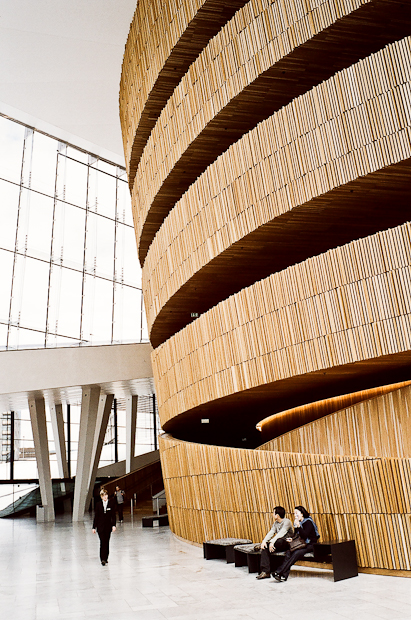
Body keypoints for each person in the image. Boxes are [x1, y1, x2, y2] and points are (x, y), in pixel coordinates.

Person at [273, 505, 320, 582]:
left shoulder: (308, 522)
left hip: (310, 544)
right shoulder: (298, 523)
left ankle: (279, 571)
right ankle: (283, 576)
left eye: (296, 513)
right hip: (301, 544)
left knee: (297, 553)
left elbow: (305, 536)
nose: (295, 515)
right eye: (294, 513)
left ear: (302, 514)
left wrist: (298, 526)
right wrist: (292, 539)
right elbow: (297, 536)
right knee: (288, 552)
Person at [256, 506, 294, 580]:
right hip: (277, 543)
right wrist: (264, 541)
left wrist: (271, 542)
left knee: (279, 540)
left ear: (277, 515)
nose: (272, 514)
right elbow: (271, 532)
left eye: (273, 513)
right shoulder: (276, 523)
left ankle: (266, 545)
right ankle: (265, 571)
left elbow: (282, 533)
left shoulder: (287, 522)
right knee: (265, 547)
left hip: (286, 543)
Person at [92, 488, 116, 565]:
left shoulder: (111, 504)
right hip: (100, 527)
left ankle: (106, 557)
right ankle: (102, 558)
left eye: (106, 495)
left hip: (108, 526)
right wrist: (93, 527)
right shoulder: (98, 504)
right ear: (101, 497)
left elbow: (113, 515)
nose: (105, 497)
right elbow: (96, 516)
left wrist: (114, 525)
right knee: (102, 542)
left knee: (107, 542)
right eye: (103, 495)